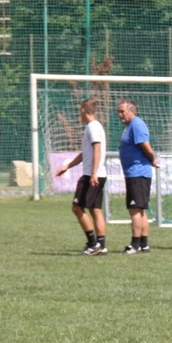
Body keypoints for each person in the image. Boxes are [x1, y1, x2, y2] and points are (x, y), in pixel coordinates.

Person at [55, 98, 109, 255]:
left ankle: (94, 244)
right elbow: (86, 153)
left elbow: (97, 149)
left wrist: (93, 174)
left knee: (77, 207)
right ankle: (101, 245)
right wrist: (68, 166)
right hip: (98, 174)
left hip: (92, 175)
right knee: (95, 210)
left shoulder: (92, 127)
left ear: (84, 110)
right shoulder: (96, 126)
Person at [117, 99, 159, 253]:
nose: (119, 115)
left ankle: (135, 244)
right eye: (118, 112)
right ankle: (143, 243)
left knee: (135, 208)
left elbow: (145, 146)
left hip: (138, 172)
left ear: (131, 111)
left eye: (122, 111)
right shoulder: (129, 126)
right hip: (134, 173)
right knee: (140, 209)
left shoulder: (137, 124)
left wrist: (152, 159)